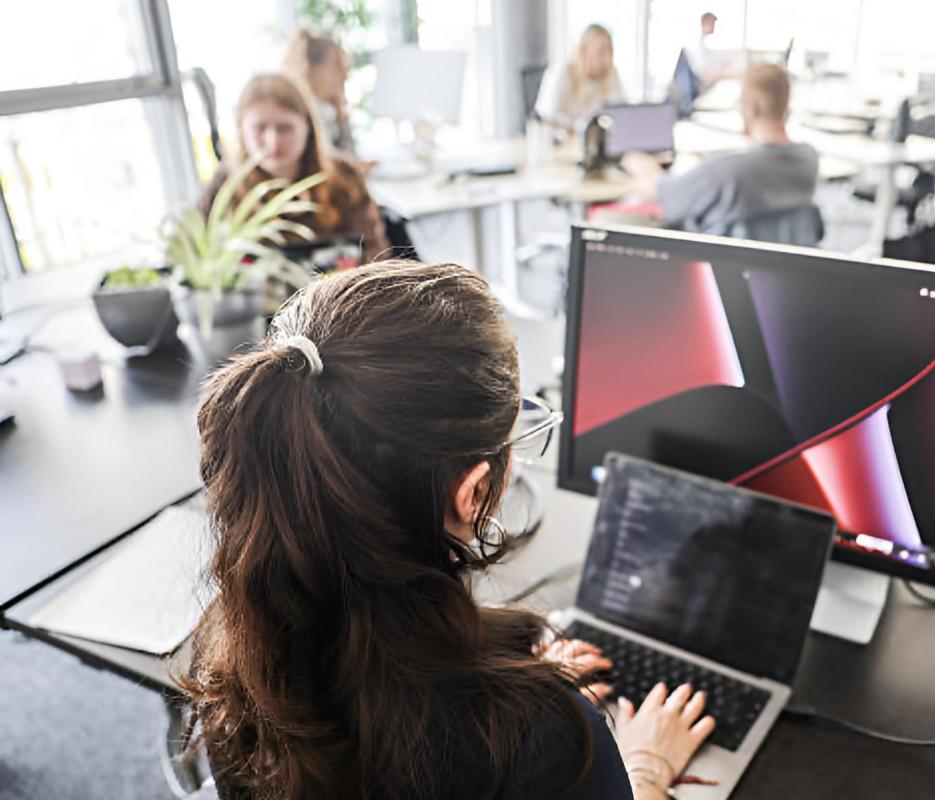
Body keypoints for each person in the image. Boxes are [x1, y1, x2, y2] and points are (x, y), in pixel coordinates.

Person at [184, 261, 715, 799]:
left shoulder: (239, 666)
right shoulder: (548, 742)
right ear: (474, 493)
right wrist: (644, 767)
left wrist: (510, 677)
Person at [197, 73, 387, 262]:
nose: (273, 141)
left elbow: (375, 252)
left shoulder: (345, 176)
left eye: (285, 128)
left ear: (307, 126)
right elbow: (197, 251)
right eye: (260, 128)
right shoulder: (225, 183)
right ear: (241, 128)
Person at [620, 63, 819, 236]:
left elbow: (666, 195)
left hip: (720, 273)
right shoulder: (808, 160)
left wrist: (643, 165)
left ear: (751, 108)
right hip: (785, 273)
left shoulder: (726, 172)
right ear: (785, 105)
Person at [536, 24, 626, 131]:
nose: (607, 58)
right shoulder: (563, 71)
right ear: (583, 50)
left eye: (610, 51)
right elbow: (547, 115)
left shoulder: (610, 72)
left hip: (595, 141)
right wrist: (579, 127)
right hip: (562, 140)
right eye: (601, 51)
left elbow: (621, 111)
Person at [281, 28, 355, 156]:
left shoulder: (328, 111)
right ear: (316, 70)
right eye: (338, 68)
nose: (345, 76)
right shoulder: (304, 116)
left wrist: (341, 116)